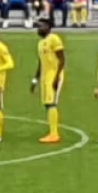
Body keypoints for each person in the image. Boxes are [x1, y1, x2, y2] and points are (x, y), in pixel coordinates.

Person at [34, 17, 66, 145]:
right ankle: (52, 132)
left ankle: (54, 134)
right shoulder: (41, 43)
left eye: (41, 26)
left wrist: (57, 77)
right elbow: (40, 63)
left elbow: (62, 59)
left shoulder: (54, 39)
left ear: (48, 26)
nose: (39, 29)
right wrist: (35, 80)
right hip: (45, 77)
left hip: (54, 75)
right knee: (48, 104)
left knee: (51, 104)